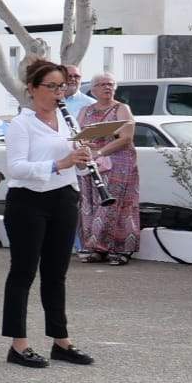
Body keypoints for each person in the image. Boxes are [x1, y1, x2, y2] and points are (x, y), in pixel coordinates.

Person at [2, 59, 97, 369]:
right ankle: (18, 344)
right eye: (52, 86)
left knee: (56, 274)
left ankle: (61, 340)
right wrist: (60, 163)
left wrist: (83, 160)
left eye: (62, 86)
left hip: (63, 197)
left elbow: (75, 161)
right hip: (28, 201)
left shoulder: (68, 121)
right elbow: (15, 168)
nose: (59, 93)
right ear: (32, 89)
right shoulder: (22, 123)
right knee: (23, 272)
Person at [77, 73, 140, 266]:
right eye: (102, 84)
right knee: (91, 205)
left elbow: (126, 137)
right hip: (91, 164)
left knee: (117, 205)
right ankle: (96, 247)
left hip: (118, 163)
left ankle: (121, 249)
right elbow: (78, 134)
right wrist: (84, 148)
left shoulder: (121, 108)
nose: (107, 87)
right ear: (93, 89)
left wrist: (100, 152)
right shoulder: (85, 110)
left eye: (110, 84)